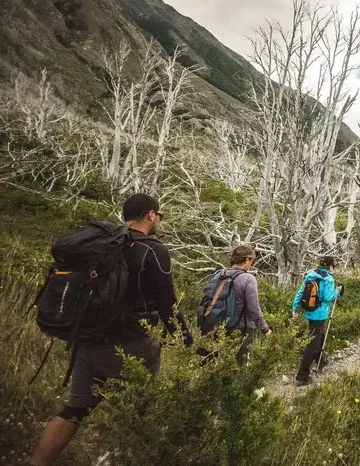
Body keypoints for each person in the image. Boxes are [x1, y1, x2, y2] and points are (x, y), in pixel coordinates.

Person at [29, 193, 190, 466]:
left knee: (76, 408)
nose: (159, 220)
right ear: (151, 214)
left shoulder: (103, 245)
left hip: (89, 340)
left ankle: (37, 463)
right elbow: (167, 304)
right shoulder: (153, 249)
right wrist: (186, 338)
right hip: (134, 344)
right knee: (140, 413)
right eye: (159, 215)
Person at [200, 245, 271, 366]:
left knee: (216, 364)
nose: (251, 265)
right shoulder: (248, 279)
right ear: (247, 259)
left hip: (215, 325)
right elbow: (254, 309)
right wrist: (265, 329)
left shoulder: (218, 274)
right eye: (251, 261)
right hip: (241, 328)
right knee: (240, 366)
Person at [291, 256, 341, 386]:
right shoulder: (328, 279)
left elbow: (301, 292)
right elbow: (328, 297)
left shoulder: (311, 275)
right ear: (330, 266)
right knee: (313, 343)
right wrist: (337, 291)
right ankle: (302, 376)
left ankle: (321, 361)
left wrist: (295, 308)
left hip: (309, 312)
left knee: (318, 336)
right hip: (320, 314)